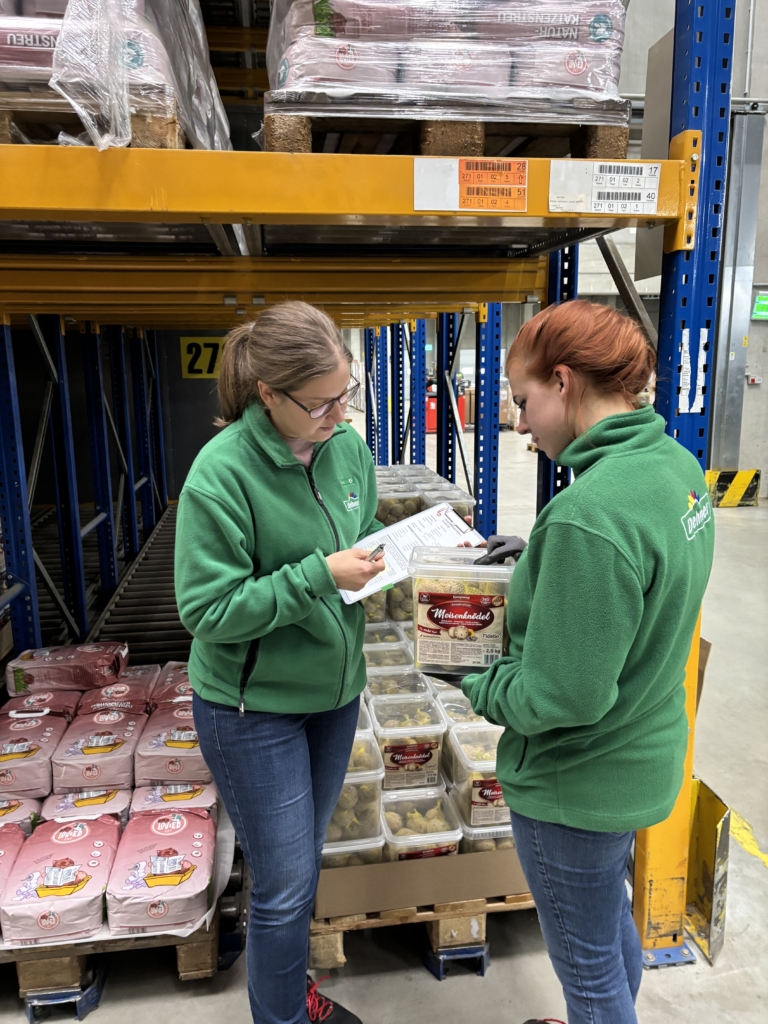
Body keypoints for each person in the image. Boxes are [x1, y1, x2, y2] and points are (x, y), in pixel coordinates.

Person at [462, 300, 715, 1024]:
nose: (518, 422)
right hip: (643, 756)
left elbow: (564, 695)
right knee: (608, 930)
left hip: (577, 785)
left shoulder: (589, 514)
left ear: (565, 381)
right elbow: (641, 591)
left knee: (589, 969)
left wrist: (471, 678)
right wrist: (538, 559)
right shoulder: (674, 465)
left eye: (522, 400)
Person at [175, 301, 386, 1024]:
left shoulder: (346, 449)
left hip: (331, 696)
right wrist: (320, 577)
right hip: (251, 710)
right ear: (268, 394)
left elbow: (363, 534)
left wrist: (399, 556)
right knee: (284, 883)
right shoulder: (222, 474)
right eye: (320, 402)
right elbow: (206, 611)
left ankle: (288, 993)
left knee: (300, 870)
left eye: (345, 394)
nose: (337, 412)